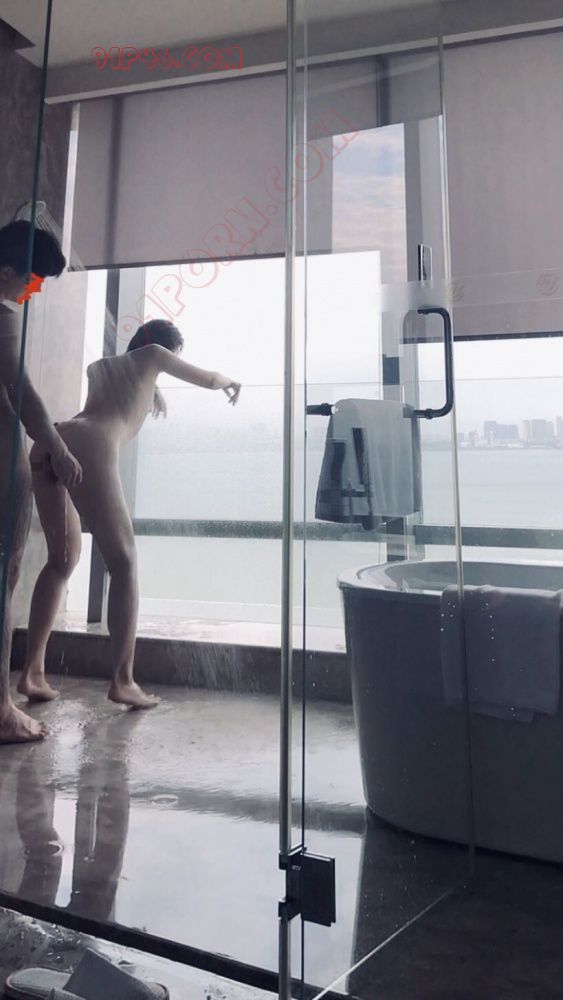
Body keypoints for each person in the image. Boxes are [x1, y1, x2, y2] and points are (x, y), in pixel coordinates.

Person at [18, 318, 241, 710]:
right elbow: (207, 379)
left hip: (56, 439)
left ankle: (32, 671)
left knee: (61, 561)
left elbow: (125, 391)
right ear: (168, 348)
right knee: (124, 564)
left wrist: (154, 389)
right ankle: (123, 681)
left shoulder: (102, 367)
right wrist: (229, 382)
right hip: (92, 445)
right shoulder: (155, 356)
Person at [0, 220, 82, 744]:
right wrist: (57, 446)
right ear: (7, 271)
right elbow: (22, 390)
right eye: (32, 278)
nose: (34, 290)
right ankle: (1, 712)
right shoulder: (2, 315)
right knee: (2, 579)